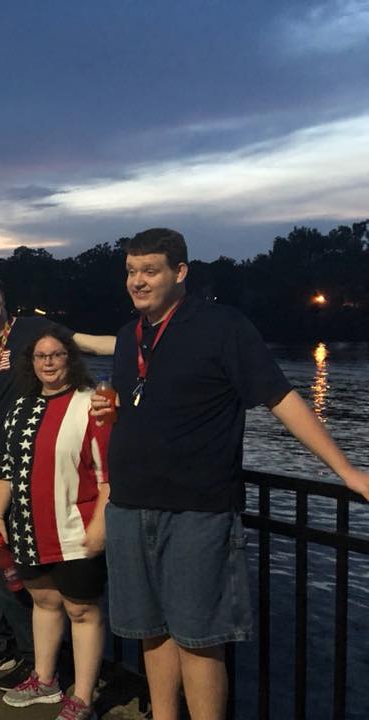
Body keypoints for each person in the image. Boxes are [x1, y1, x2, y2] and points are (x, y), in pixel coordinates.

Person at [93, 228, 369, 720]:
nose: (137, 281)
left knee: (200, 639)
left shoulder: (222, 326)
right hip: (130, 504)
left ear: (180, 273)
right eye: (131, 272)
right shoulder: (127, 336)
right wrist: (110, 411)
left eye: (150, 270)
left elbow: (280, 398)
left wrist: (346, 470)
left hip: (198, 509)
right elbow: (141, 404)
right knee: (150, 631)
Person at [0, 271, 115, 691]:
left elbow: (86, 343)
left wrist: (147, 345)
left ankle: (34, 659)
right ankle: (1, 642)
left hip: (41, 461)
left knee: (48, 584)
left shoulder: (29, 329)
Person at [0, 327, 110, 720]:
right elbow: (6, 468)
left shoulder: (91, 404)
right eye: (41, 356)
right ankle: (45, 679)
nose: (48, 362)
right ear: (31, 363)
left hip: (74, 529)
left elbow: (107, 474)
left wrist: (99, 527)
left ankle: (84, 696)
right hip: (27, 528)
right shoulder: (20, 407)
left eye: (57, 355)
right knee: (43, 601)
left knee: (81, 611)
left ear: (70, 358)